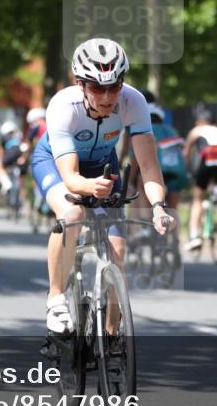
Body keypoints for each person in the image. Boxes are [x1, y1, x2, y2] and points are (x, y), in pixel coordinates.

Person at [30, 37, 175, 333]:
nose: (107, 96)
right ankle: (56, 299)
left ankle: (111, 340)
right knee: (72, 215)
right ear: (81, 84)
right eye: (97, 87)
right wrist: (87, 188)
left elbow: (148, 165)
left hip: (102, 166)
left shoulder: (134, 102)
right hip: (56, 164)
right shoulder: (63, 106)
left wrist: (159, 207)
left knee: (117, 252)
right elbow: (71, 178)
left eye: (114, 86)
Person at [183, 107, 217, 251]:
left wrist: (188, 169)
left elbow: (187, 152)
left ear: (199, 121)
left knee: (198, 198)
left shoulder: (196, 130)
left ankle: (194, 236)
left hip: (207, 161)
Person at [0, 119, 24, 196]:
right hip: (20, 155)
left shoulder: (4, 136)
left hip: (11, 153)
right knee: (21, 177)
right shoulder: (18, 135)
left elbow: (0, 151)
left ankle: (6, 184)